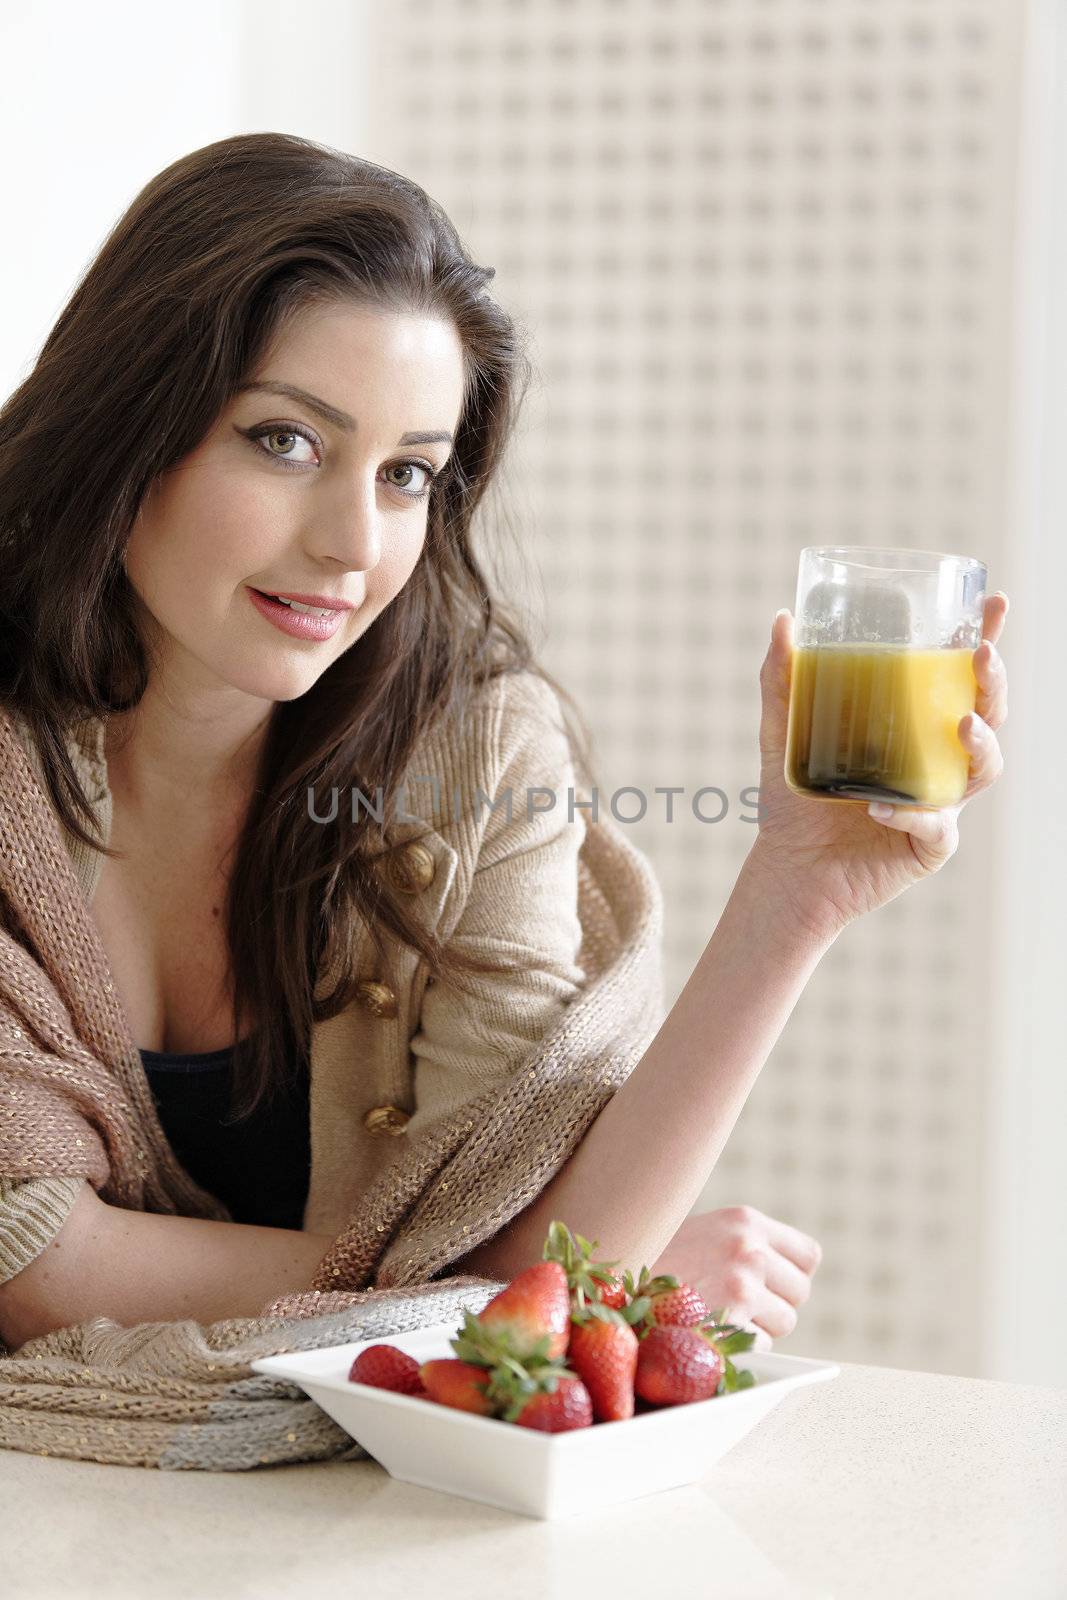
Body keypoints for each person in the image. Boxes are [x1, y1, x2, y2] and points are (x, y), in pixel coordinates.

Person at [0, 133, 1008, 1355]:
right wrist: (502, 1289)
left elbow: (542, 1235)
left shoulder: (471, 754)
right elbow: (34, 1261)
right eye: (286, 441)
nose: (352, 544)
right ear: (132, 419)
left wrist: (796, 890)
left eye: (408, 474)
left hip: (388, 1528)